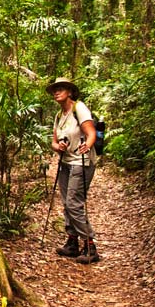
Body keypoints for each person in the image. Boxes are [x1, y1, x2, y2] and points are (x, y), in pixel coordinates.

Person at [46, 77, 100, 264]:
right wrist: (57, 146)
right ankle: (72, 242)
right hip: (66, 163)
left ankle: (90, 245)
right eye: (55, 90)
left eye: (60, 89)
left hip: (81, 162)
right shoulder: (59, 116)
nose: (56, 92)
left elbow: (90, 132)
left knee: (74, 203)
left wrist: (88, 145)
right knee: (66, 203)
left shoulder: (79, 108)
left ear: (69, 92)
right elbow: (53, 142)